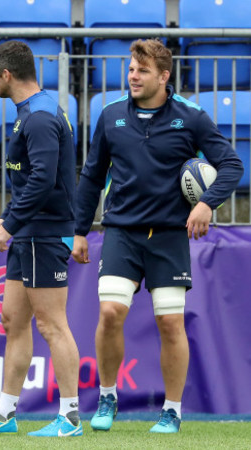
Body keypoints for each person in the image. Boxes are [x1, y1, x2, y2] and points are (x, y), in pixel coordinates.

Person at [72, 39, 243, 434]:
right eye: (130, 69)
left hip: (168, 237)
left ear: (163, 77)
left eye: (142, 70)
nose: (132, 76)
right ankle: (108, 396)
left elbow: (231, 164)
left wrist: (207, 204)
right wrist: (79, 230)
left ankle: (171, 410)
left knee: (170, 324)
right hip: (121, 232)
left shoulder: (192, 117)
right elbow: (92, 176)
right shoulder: (110, 115)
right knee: (111, 313)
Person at [0, 40, 82, 438]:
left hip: (42, 234)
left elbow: (44, 181)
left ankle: (70, 417)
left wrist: (9, 223)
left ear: (6, 74)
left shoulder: (40, 117)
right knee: (14, 320)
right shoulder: (33, 111)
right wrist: (13, 221)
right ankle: (4, 413)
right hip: (29, 232)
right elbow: (34, 177)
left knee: (52, 324)